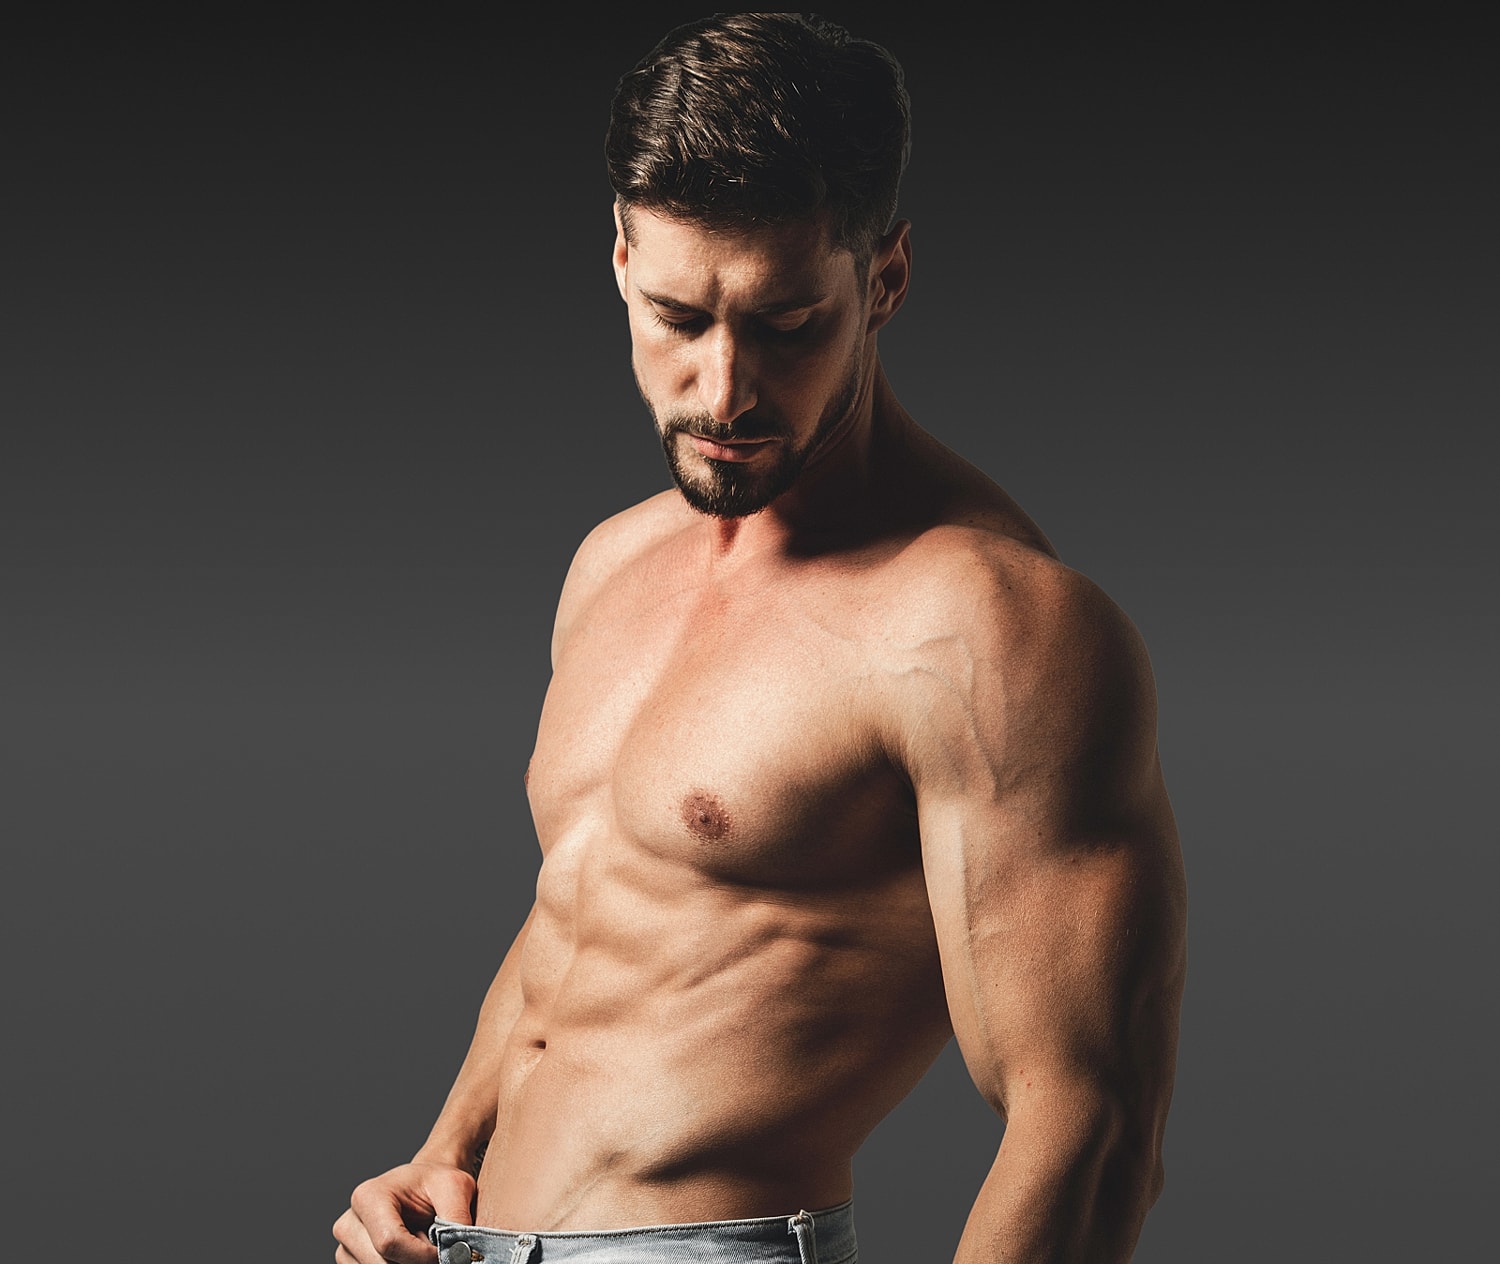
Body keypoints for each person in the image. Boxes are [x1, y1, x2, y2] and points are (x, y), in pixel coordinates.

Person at [333, 13, 1186, 1264]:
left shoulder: (989, 626)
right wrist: (442, 1151)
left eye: (787, 326)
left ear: (883, 279)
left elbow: (1090, 1130)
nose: (724, 389)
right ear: (620, 258)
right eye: (678, 317)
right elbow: (589, 906)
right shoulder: (613, 563)